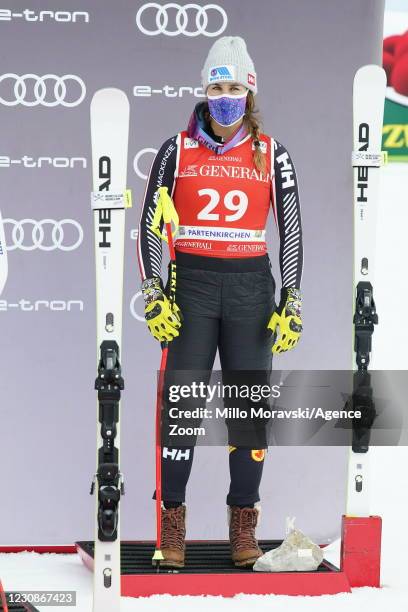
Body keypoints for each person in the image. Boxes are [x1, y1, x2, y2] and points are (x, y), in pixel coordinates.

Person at [137, 36, 303, 568]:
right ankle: (172, 526)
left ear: (249, 91)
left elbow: (292, 230)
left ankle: (243, 526)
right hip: (193, 287)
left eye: (233, 86)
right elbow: (149, 225)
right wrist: (155, 292)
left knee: (250, 412)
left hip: (251, 289)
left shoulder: (271, 152)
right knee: (181, 409)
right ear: (204, 91)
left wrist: (291, 297)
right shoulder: (176, 149)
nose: (224, 96)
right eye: (216, 86)